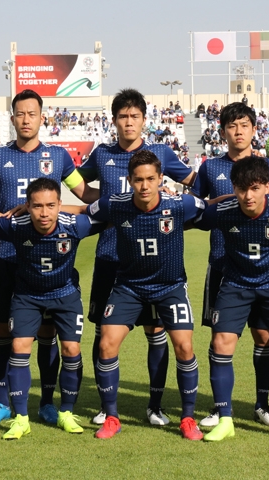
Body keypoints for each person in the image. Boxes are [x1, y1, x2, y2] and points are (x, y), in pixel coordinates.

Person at [78, 88, 195, 426]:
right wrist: (101, 200)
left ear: (144, 119)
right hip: (110, 256)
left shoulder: (160, 152)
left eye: (134, 116)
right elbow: (78, 183)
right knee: (103, 332)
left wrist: (171, 200)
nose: (128, 122)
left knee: (155, 331)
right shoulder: (102, 154)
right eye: (122, 117)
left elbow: (194, 181)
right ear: (114, 120)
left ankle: (155, 406)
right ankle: (106, 407)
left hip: (153, 261)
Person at [0, 89, 99, 428]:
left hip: (47, 259)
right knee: (2, 333)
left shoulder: (59, 157)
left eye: (32, 114)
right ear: (12, 118)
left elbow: (83, 192)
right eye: (20, 114)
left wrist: (121, 196)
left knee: (48, 334)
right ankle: (2, 402)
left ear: (42, 117)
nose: (26, 119)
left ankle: (47, 402)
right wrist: (2, 227)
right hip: (9, 257)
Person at [86, 150, 205, 441]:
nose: (144, 185)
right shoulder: (115, 204)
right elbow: (82, 211)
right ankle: (111, 417)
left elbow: (213, 206)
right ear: (130, 180)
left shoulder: (180, 204)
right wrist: (36, 208)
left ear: (161, 178)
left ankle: (188, 418)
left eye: (151, 179)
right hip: (129, 287)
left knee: (184, 347)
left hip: (170, 287)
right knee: (106, 344)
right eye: (138, 180)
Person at [192, 102, 269, 428]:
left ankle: (262, 405)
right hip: (223, 264)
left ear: (253, 129)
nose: (238, 131)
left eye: (244, 125)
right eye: (231, 126)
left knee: (263, 336)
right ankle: (219, 407)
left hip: (265, 268)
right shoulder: (210, 168)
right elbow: (196, 208)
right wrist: (228, 200)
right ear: (222, 131)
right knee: (220, 339)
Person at [195, 156, 269, 444]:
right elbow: (192, 214)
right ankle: (225, 420)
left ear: (267, 187)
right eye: (242, 188)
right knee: (220, 343)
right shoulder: (224, 210)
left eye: (255, 188)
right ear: (233, 187)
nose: (248, 196)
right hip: (236, 284)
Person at [0, 178, 105, 439]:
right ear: (27, 206)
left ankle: (66, 412)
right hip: (27, 297)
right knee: (19, 347)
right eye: (37, 206)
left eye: (51, 205)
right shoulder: (15, 225)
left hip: (65, 296)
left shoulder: (75, 225)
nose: (44, 213)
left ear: (60, 205)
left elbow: (108, 212)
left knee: (71, 349)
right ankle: (21, 419)